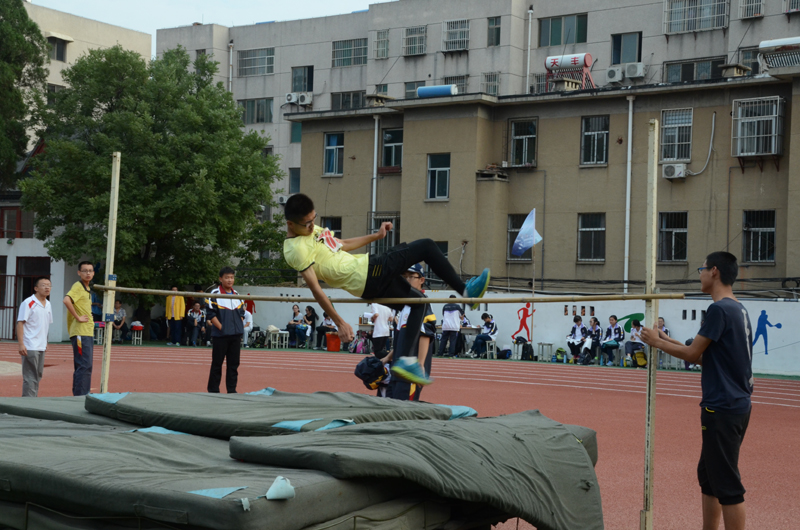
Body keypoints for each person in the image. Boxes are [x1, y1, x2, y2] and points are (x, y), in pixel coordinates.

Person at [282, 193, 490, 386]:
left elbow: (341, 244)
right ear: (291, 224)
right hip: (369, 271)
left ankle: (406, 360)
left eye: (314, 219)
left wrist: (376, 236)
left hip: (367, 285)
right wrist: (340, 323)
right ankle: (466, 292)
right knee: (427, 246)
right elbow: (315, 288)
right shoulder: (296, 249)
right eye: (307, 223)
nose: (312, 226)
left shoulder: (313, 231)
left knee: (418, 303)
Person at [641, 252, 752, 530]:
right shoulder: (737, 309)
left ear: (714, 271)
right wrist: (667, 339)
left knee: (726, 483)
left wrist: (656, 342)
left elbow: (691, 355)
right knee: (709, 475)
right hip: (734, 404)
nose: (699, 274)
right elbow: (704, 357)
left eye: (702, 269)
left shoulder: (719, 310)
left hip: (722, 407)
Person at [389, 264, 436, 401]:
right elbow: (402, 339)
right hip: (397, 368)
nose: (406, 280)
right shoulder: (403, 305)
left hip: (410, 371)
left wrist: (420, 364)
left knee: (404, 409)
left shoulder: (421, 304)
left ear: (421, 280)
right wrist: (388, 357)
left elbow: (425, 335)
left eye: (411, 277)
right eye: (404, 277)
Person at [205, 267, 245, 393]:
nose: (230, 280)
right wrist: (222, 328)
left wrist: (238, 326)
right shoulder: (214, 294)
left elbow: (242, 313)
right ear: (220, 279)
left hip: (235, 335)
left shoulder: (237, 295)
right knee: (217, 364)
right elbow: (211, 314)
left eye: (232, 277)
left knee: (233, 365)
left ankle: (232, 390)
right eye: (227, 277)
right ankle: (213, 390)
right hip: (220, 335)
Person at [63, 261, 95, 396]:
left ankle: (81, 394)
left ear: (93, 273)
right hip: (81, 333)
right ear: (79, 272)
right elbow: (66, 300)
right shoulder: (78, 286)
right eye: (85, 271)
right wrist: (78, 317)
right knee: (84, 365)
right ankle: (80, 396)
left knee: (85, 365)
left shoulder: (87, 289)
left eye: (90, 271)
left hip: (87, 332)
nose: (88, 273)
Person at [17, 277, 53, 397]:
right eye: (43, 285)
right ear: (36, 288)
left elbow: (45, 324)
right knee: (30, 375)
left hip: (41, 345)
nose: (47, 287)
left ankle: (33, 399)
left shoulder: (48, 304)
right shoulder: (28, 303)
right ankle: (28, 401)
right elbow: (20, 323)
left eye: (49, 285)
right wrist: (21, 344)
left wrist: (45, 342)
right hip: (30, 344)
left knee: (38, 374)